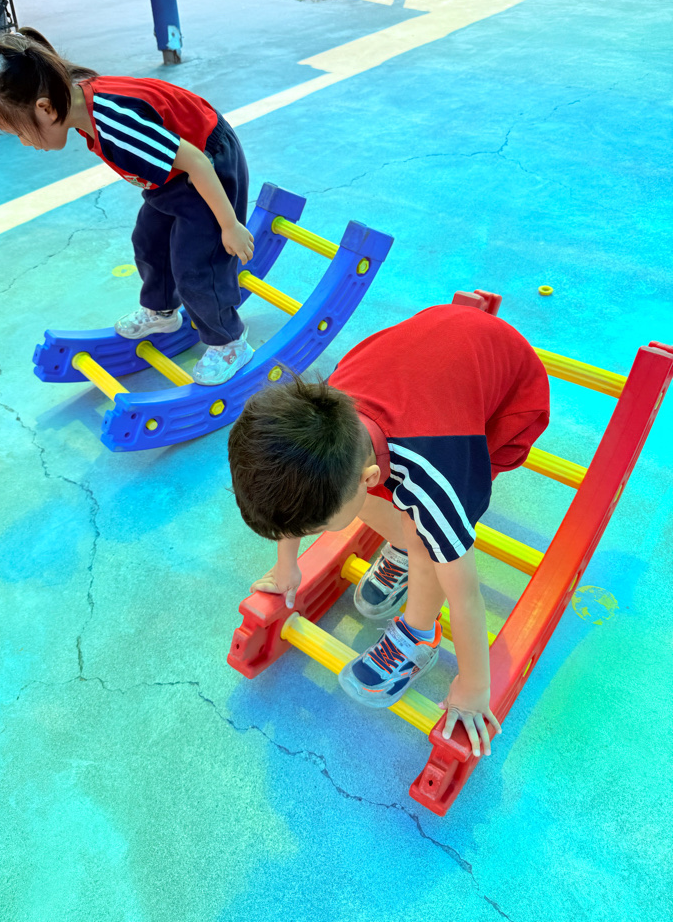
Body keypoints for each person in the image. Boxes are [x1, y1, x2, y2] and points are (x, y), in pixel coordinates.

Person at [228, 303, 550, 757]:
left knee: (428, 538)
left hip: (510, 397)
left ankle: (420, 633)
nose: (306, 532)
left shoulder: (435, 475)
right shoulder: (317, 421)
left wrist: (475, 686)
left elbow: (465, 596)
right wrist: (286, 567)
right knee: (387, 516)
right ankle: (403, 547)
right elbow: (291, 498)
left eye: (315, 527)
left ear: (369, 477)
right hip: (434, 352)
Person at [0, 27, 254, 385]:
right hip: (171, 177)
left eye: (20, 132)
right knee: (149, 241)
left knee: (196, 263)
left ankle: (229, 342)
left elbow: (197, 162)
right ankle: (162, 311)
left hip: (208, 164)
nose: (24, 142)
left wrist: (229, 225)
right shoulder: (78, 102)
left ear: (45, 108)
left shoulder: (115, 123)